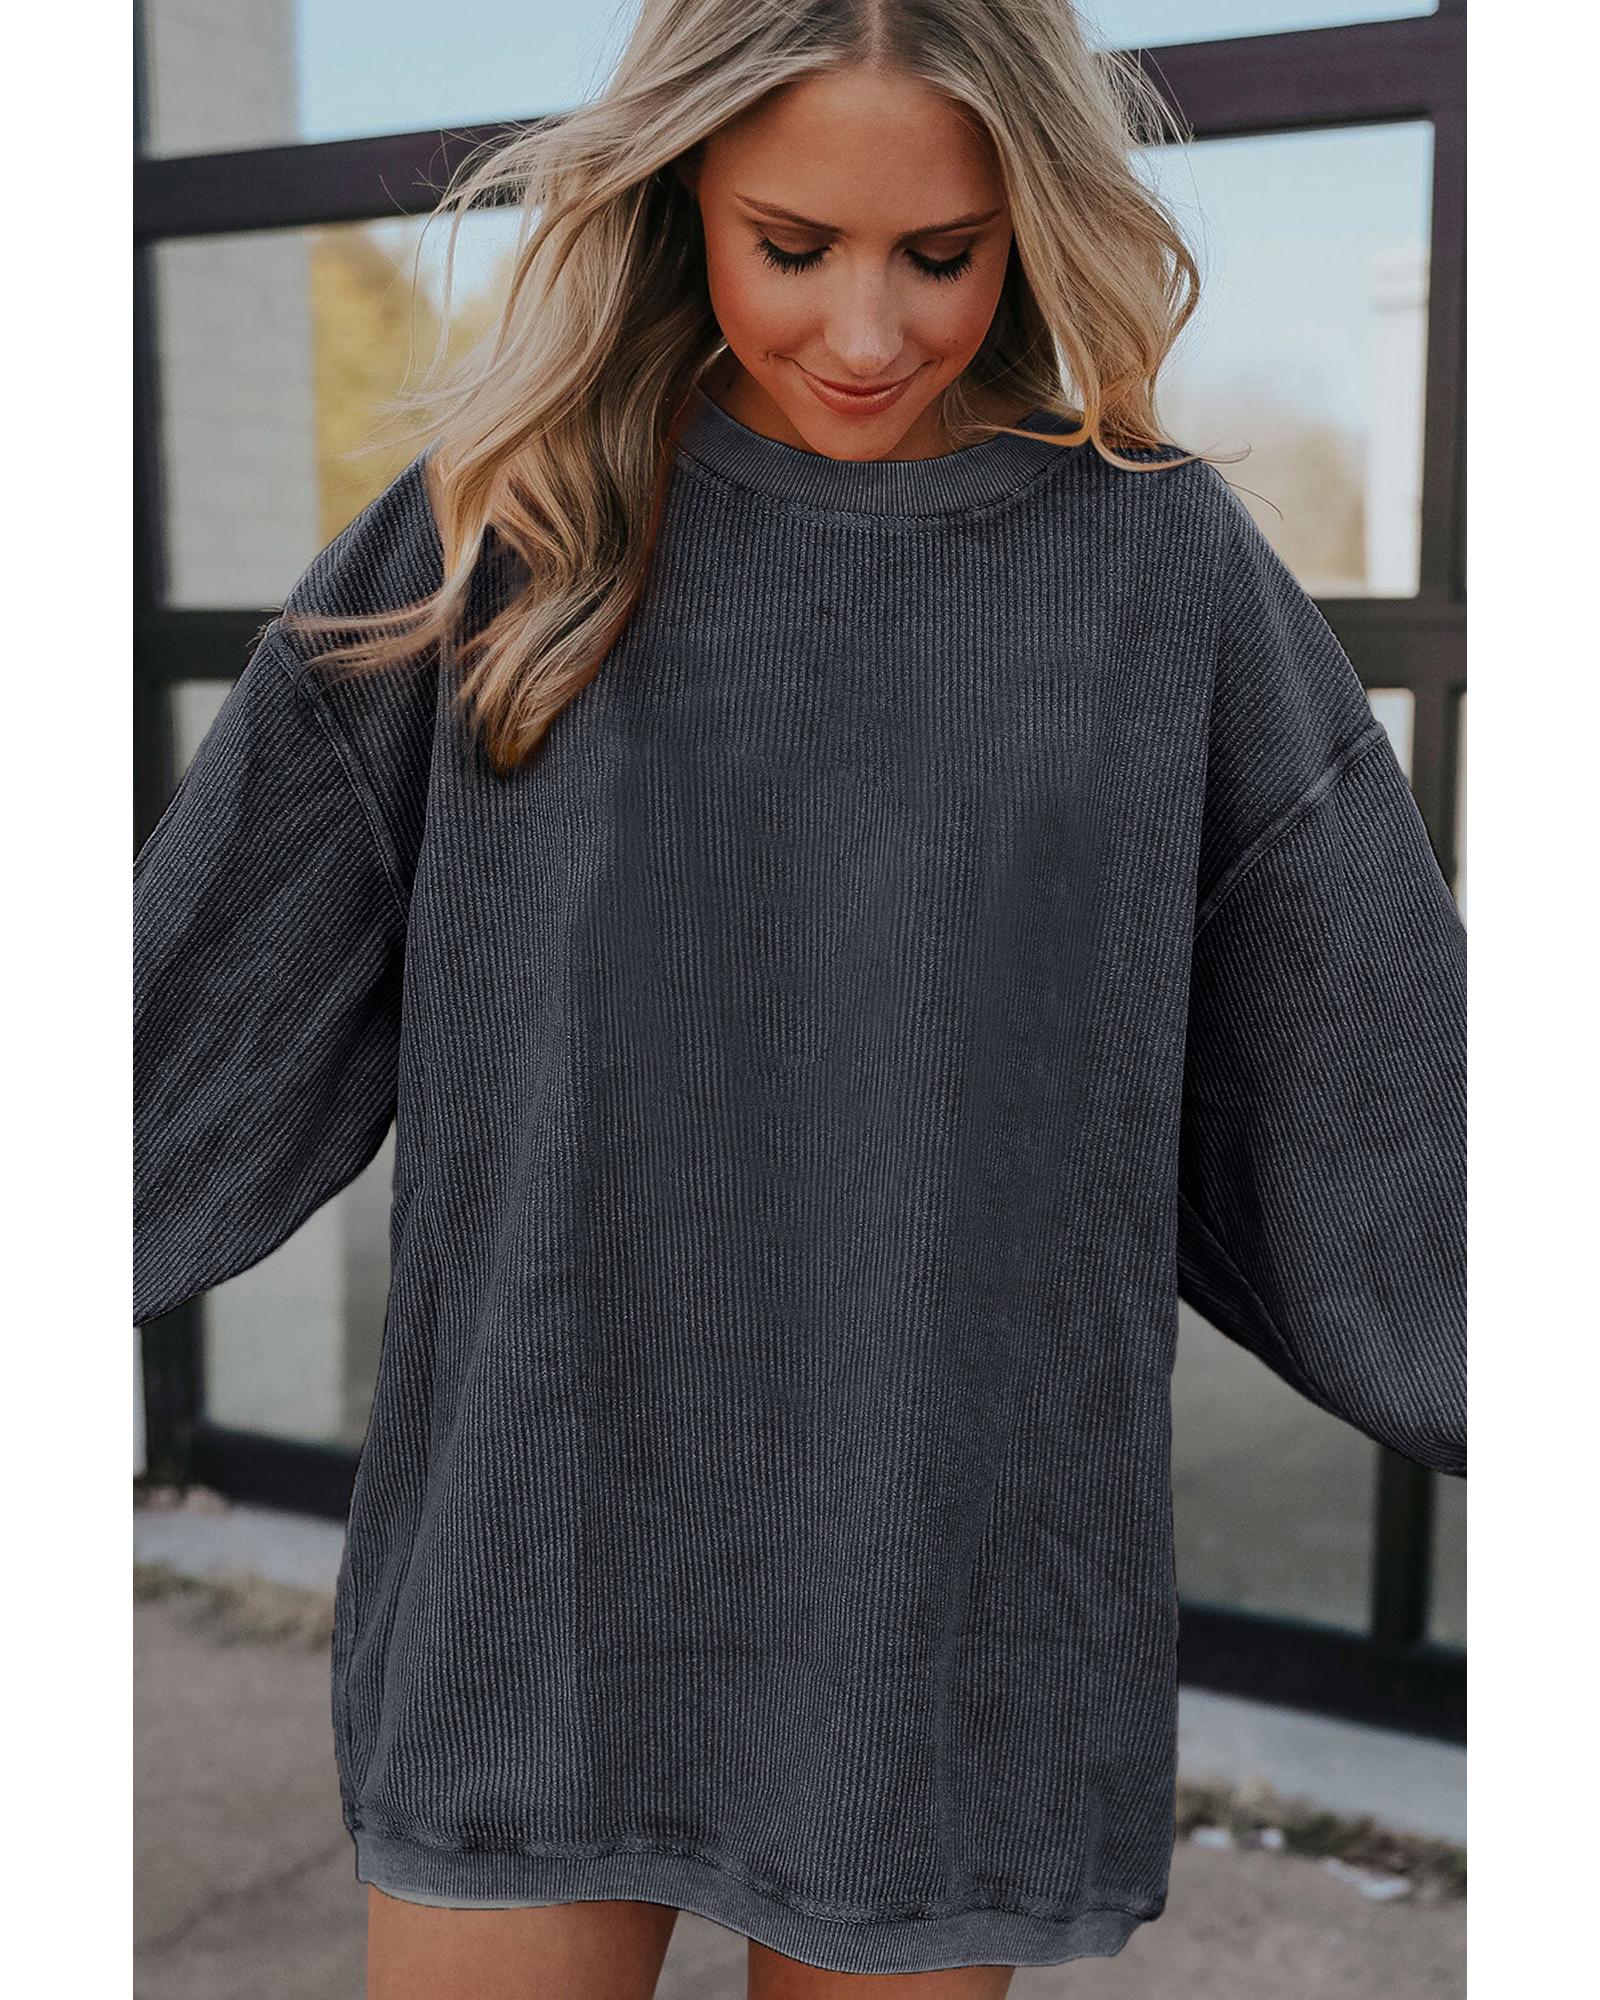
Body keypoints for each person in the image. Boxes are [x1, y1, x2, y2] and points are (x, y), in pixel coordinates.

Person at [131, 3, 1467, 1997]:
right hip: (538, 1561)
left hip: (940, 1593)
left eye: (940, 253)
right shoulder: (503, 537)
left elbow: (1378, 1081)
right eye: (792, 244)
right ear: (678, 197)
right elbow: (186, 1012)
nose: (863, 329)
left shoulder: (1152, 567)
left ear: (1030, 222)